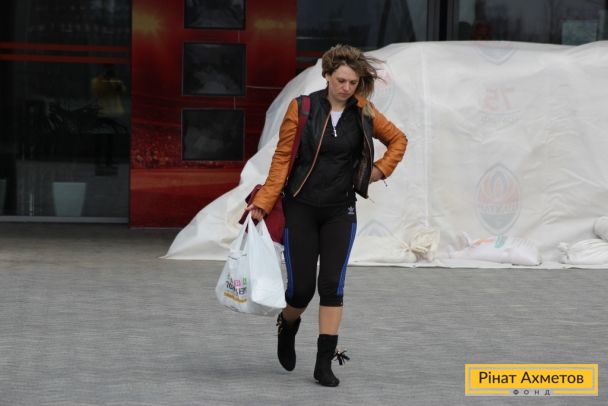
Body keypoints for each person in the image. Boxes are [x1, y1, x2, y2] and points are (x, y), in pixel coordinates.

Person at [246, 44, 407, 387]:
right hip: (301, 207)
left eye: (353, 82)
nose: (347, 88)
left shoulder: (364, 111)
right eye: (341, 80)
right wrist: (263, 201)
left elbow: (398, 140)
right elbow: (281, 160)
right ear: (327, 75)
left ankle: (323, 363)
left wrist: (377, 172)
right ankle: (287, 324)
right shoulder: (302, 108)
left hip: (340, 211)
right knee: (301, 291)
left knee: (332, 286)